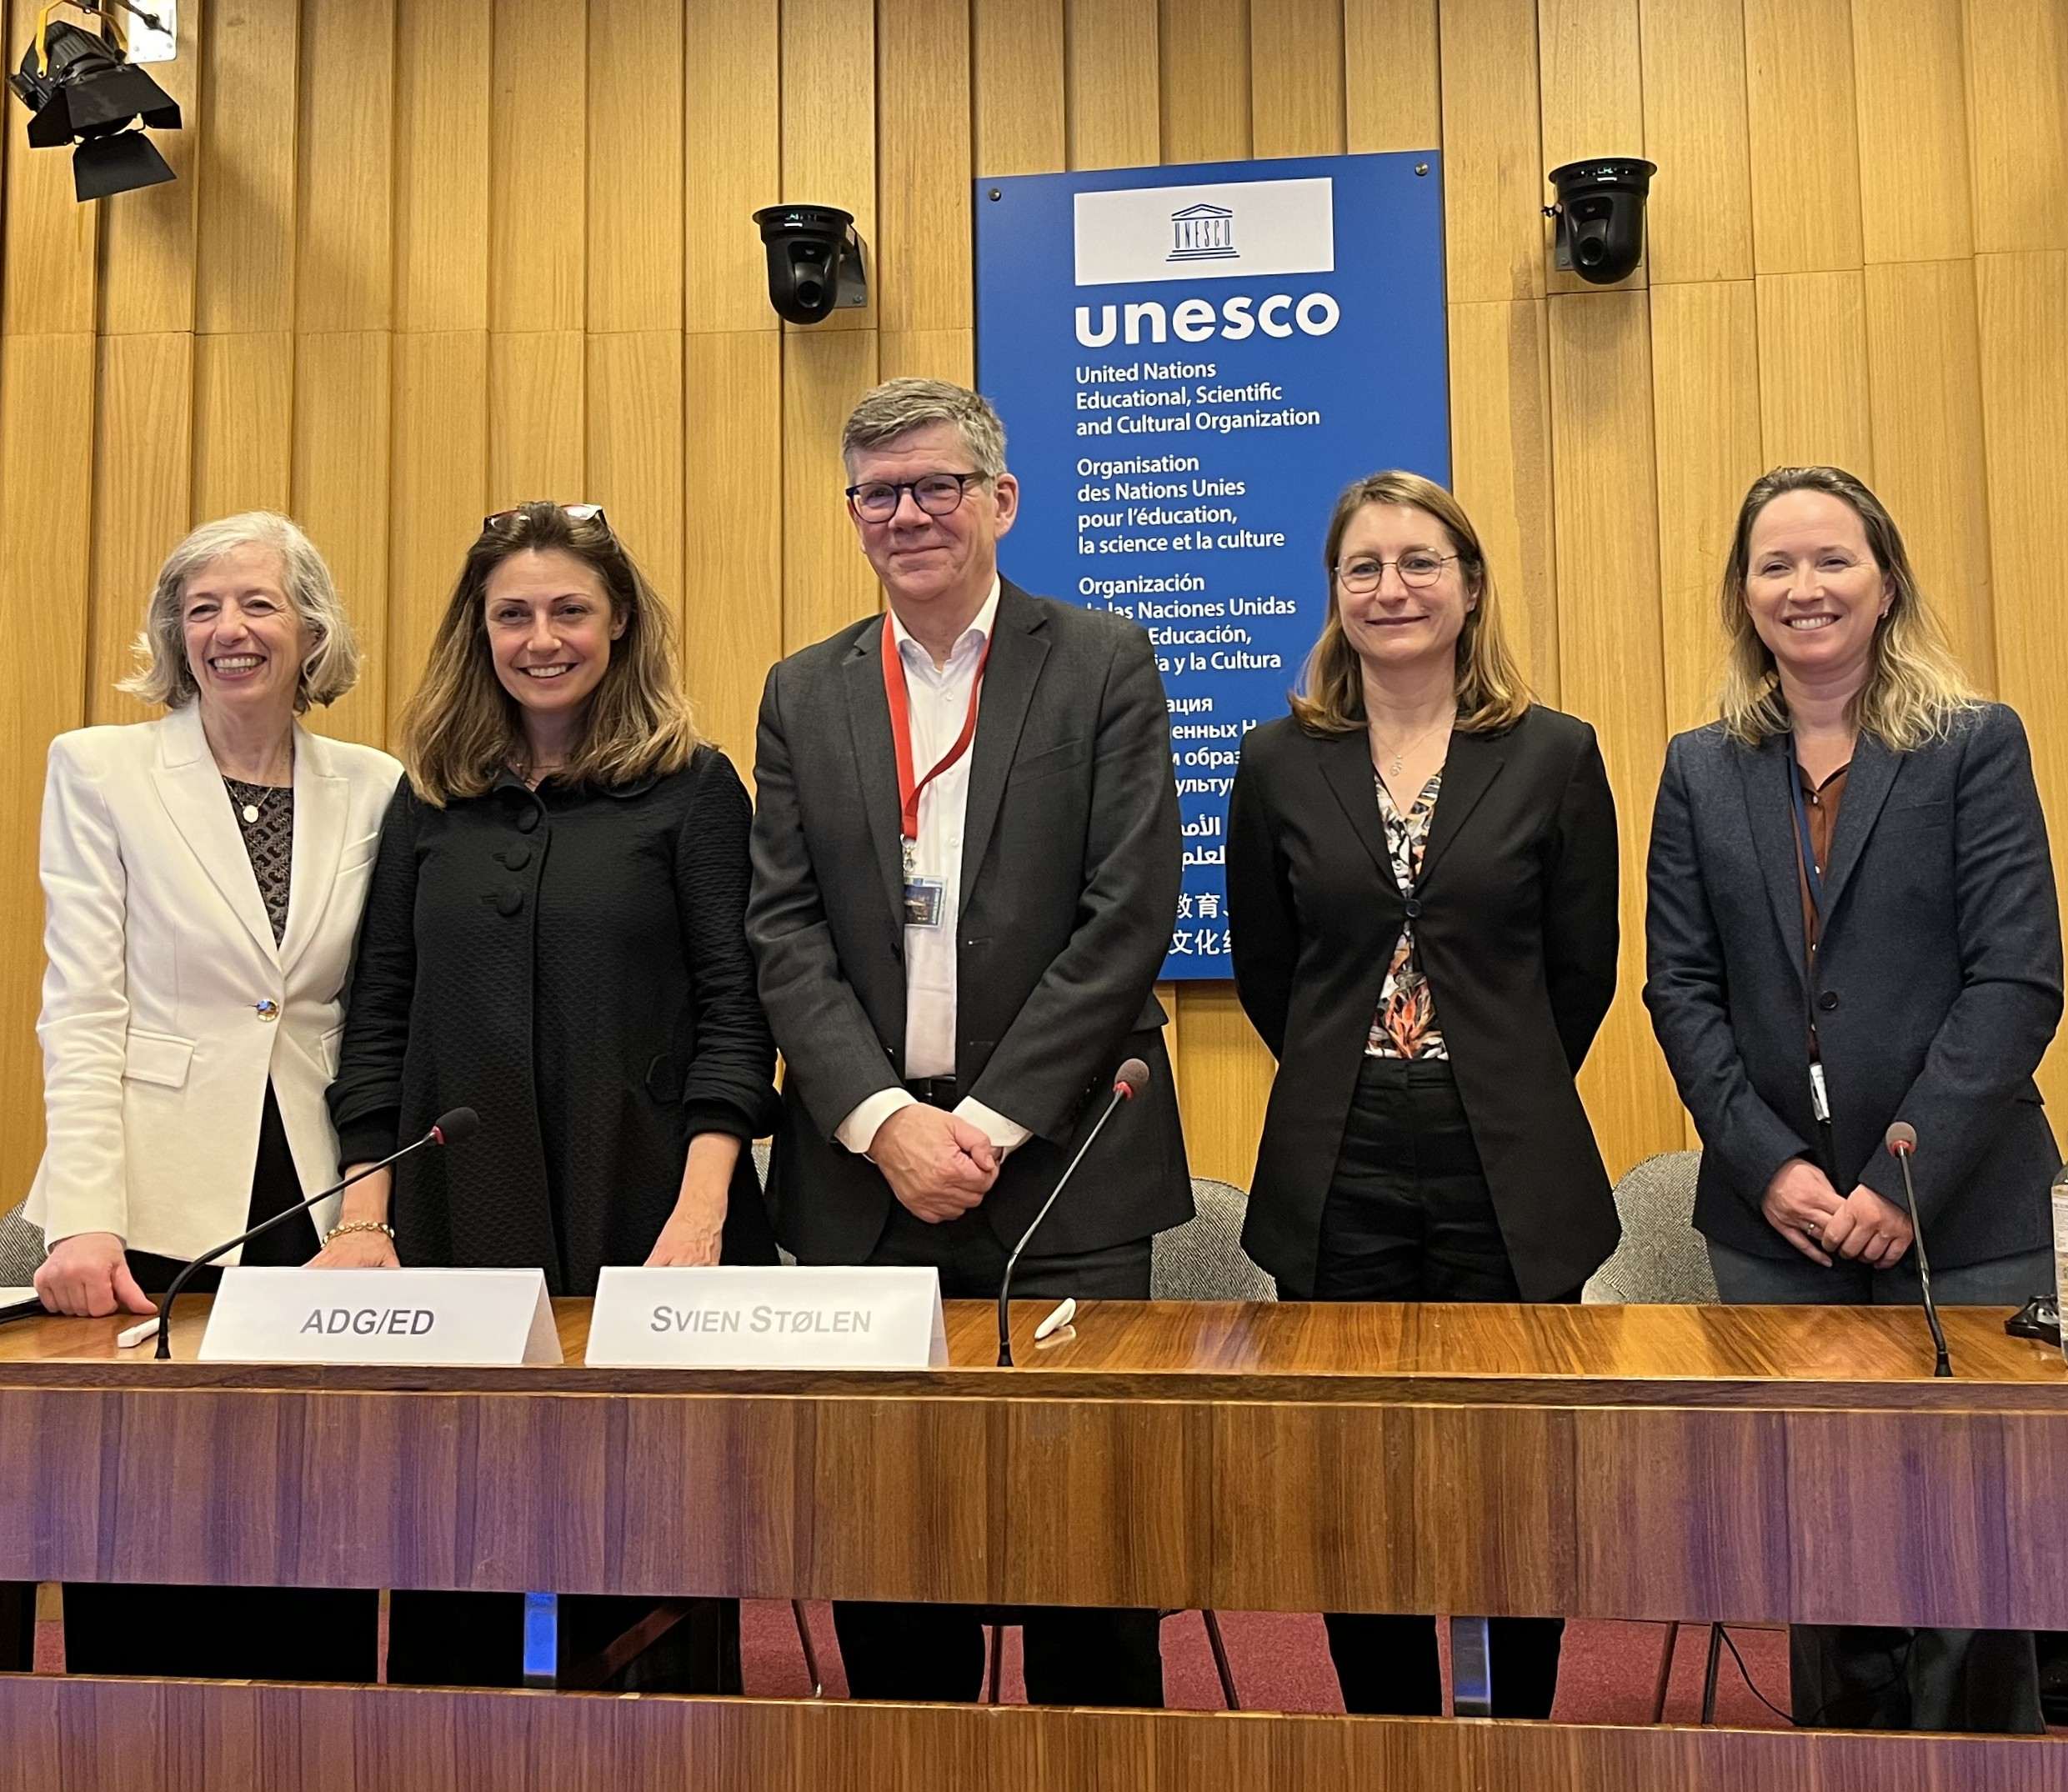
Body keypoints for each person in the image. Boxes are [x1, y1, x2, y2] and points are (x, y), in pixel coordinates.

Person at [746, 378, 1190, 1708]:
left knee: (1086, 1563)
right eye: (878, 493)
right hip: (859, 1178)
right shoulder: (802, 690)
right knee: (889, 1558)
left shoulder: (1101, 658)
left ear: (1000, 498)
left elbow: (1127, 916)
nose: (908, 514)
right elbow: (781, 930)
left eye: (937, 484)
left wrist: (982, 1125)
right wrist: (884, 1122)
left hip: (1059, 1172)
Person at [321, 501, 778, 1691]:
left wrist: (701, 1217)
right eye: (511, 613)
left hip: (645, 1215)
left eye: (568, 609)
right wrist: (361, 1220)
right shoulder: (429, 798)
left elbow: (738, 1016)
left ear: (619, 621)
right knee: (451, 1533)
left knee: (647, 1536)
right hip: (452, 1221)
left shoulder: (690, 787)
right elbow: (376, 1021)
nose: (541, 637)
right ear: (477, 632)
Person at [1645, 464, 2060, 1734]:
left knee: (1969, 1544)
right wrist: (1770, 1165)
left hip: (1962, 1210)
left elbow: (2017, 977)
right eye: (1775, 565)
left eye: (1832, 560)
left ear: (1884, 582)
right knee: (1824, 1538)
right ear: (1742, 594)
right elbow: (1679, 988)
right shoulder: (1700, 766)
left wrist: (1900, 1181)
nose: (1803, 587)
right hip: (1774, 1224)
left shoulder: (1970, 742)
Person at [1226, 469, 1619, 1720]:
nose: (1390, 588)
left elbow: (1580, 968)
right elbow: (1268, 967)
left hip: (1504, 1154)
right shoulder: (1279, 759)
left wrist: (1486, 1066)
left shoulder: (1552, 751)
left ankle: (1512, 1737)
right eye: (1363, 568)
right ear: (1333, 597)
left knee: (1515, 1482)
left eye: (1418, 563)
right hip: (1335, 1160)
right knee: (1360, 1484)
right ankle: (1387, 1738)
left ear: (1468, 587)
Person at [26, 511, 398, 1679]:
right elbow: (82, 1003)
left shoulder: (377, 784)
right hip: (144, 1200)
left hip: (316, 1196)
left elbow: (376, 1009)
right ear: (174, 636)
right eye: (203, 609)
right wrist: (79, 1207)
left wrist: (371, 1210)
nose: (230, 630)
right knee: (146, 1529)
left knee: (314, 1523)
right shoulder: (100, 767)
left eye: (258, 604)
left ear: (310, 629)